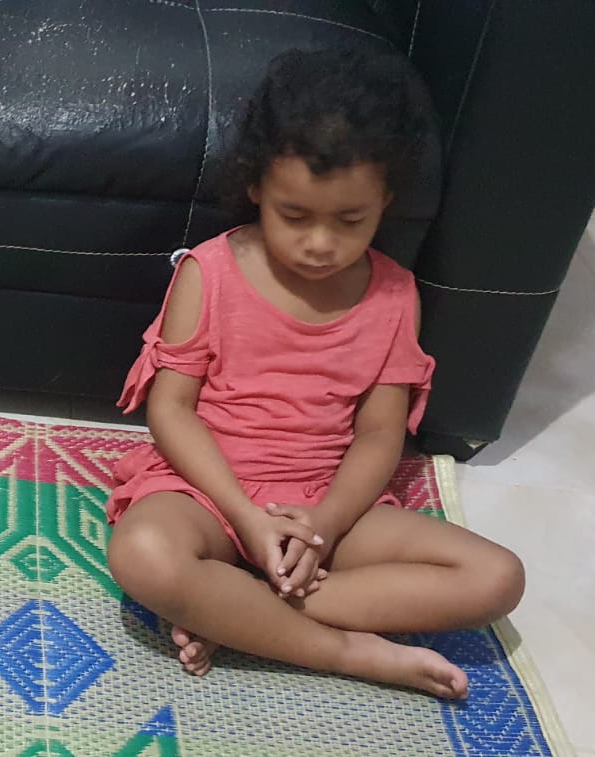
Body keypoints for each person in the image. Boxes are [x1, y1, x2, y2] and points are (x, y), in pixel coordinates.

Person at [105, 48, 524, 699]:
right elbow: (171, 410)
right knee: (143, 554)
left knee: (496, 577)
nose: (321, 243)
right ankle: (342, 650)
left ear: (386, 199)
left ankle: (240, 612)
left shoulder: (395, 294)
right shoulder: (208, 272)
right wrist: (246, 518)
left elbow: (379, 435)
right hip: (209, 495)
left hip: (325, 503)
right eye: (294, 216)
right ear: (256, 188)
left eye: (351, 220)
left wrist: (323, 524)